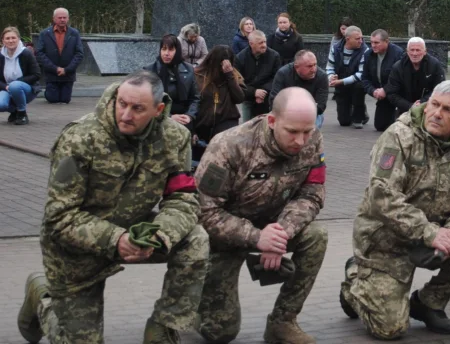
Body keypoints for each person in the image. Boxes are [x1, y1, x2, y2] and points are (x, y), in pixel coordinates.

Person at [18, 71, 208, 344]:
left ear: (158, 110)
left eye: (137, 108)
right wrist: (116, 239)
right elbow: (58, 217)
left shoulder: (175, 138)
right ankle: (43, 297)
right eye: (122, 103)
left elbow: (183, 198)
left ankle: (163, 327)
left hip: (136, 233)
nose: (126, 115)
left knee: (196, 239)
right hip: (77, 249)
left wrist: (159, 235)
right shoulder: (79, 138)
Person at [341, 81, 450, 338]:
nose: (437, 114)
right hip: (388, 237)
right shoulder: (399, 136)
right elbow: (382, 196)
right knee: (389, 329)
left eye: (447, 110)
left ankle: (429, 303)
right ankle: (355, 279)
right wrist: (429, 232)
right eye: (434, 104)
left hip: (440, 234)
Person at [194, 87, 326, 344]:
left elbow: (312, 193)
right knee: (220, 333)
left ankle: (282, 322)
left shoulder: (313, 140)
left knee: (316, 235)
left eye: (307, 131)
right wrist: (257, 238)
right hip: (224, 237)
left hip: (274, 226)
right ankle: (194, 308)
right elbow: (204, 211)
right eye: (292, 132)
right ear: (272, 121)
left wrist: (280, 234)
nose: (301, 141)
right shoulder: (229, 146)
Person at [193, 45, 246, 162]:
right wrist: (192, 130)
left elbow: (239, 98)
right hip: (202, 122)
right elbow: (191, 102)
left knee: (223, 157)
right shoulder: (198, 76)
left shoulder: (233, 75)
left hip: (226, 120)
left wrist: (229, 76)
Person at [145, 34, 200, 129]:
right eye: (164, 49)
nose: (166, 53)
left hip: (184, 118)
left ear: (177, 51)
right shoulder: (150, 70)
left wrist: (189, 115)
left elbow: (195, 98)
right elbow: (146, 100)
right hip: (158, 118)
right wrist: (169, 116)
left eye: (171, 49)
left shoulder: (188, 69)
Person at [35, 8, 84, 104]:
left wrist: (67, 69)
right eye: (60, 17)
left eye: (64, 17)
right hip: (52, 74)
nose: (62, 20)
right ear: (54, 18)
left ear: (68, 18)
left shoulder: (74, 33)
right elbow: (40, 53)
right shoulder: (44, 34)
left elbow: (79, 53)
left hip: (68, 74)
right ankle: (49, 93)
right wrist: (55, 68)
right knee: (53, 99)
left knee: (65, 100)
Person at [269, 50, 329, 129]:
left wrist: (302, 114)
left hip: (311, 112)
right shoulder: (283, 74)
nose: (314, 69)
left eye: (315, 64)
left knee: (310, 130)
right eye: (309, 66)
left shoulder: (322, 76)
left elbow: (321, 106)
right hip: (286, 112)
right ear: (296, 67)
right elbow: (274, 100)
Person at [385, 37, 445, 116]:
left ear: (425, 51)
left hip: (428, 109)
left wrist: (422, 102)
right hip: (404, 110)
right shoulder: (398, 67)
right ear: (407, 51)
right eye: (412, 50)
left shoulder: (434, 65)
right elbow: (391, 93)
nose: (414, 53)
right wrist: (410, 106)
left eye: (418, 50)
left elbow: (440, 89)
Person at [233, 30, 281, 121]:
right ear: (251, 44)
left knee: (266, 125)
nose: (264, 45)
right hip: (248, 97)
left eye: (265, 42)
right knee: (247, 126)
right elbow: (237, 82)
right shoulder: (240, 58)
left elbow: (276, 78)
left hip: (267, 97)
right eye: (260, 43)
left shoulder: (274, 56)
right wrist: (254, 92)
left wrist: (262, 92)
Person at [363, 29, 405, 132]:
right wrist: (373, 91)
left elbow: (400, 80)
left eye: (376, 42)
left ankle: (398, 113)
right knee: (380, 126)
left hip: (397, 93)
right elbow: (365, 78)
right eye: (371, 42)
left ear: (386, 41)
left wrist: (385, 90)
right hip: (382, 95)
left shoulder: (398, 53)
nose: (373, 45)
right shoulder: (368, 55)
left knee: (395, 126)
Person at [327, 26, 369, 128]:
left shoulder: (365, 50)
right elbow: (329, 67)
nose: (361, 41)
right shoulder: (335, 48)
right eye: (357, 38)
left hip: (356, 83)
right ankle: (352, 110)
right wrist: (331, 77)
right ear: (348, 39)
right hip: (341, 85)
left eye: (361, 38)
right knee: (344, 122)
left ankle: (360, 115)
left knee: (359, 87)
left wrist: (341, 81)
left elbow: (361, 74)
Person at [1, 26, 40, 125]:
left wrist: (16, 83)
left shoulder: (26, 53)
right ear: (3, 41)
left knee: (15, 86)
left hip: (25, 88)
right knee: (1, 104)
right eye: (7, 38)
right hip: (6, 88)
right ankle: (14, 111)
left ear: (18, 39)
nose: (11, 41)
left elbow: (36, 74)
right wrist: (5, 87)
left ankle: (22, 113)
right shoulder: (0, 56)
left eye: (13, 38)